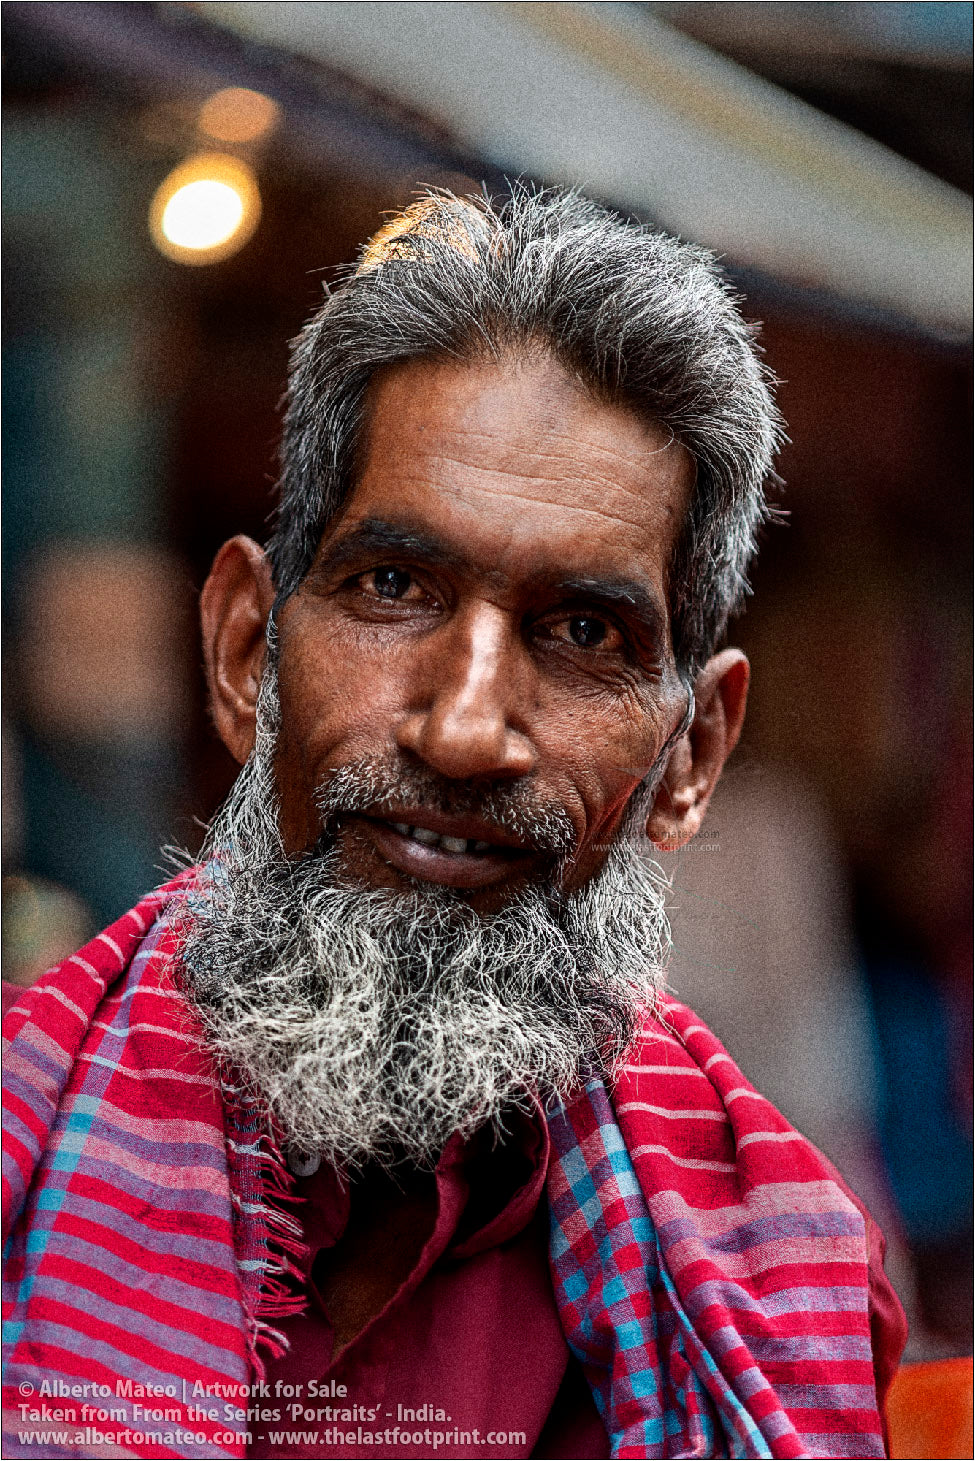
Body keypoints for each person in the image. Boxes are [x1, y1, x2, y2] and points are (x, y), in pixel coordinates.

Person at [2, 188, 906, 1461]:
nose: (466, 730)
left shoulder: (778, 1291)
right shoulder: (15, 1147)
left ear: (692, 754)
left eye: (585, 631)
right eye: (392, 586)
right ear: (247, 651)